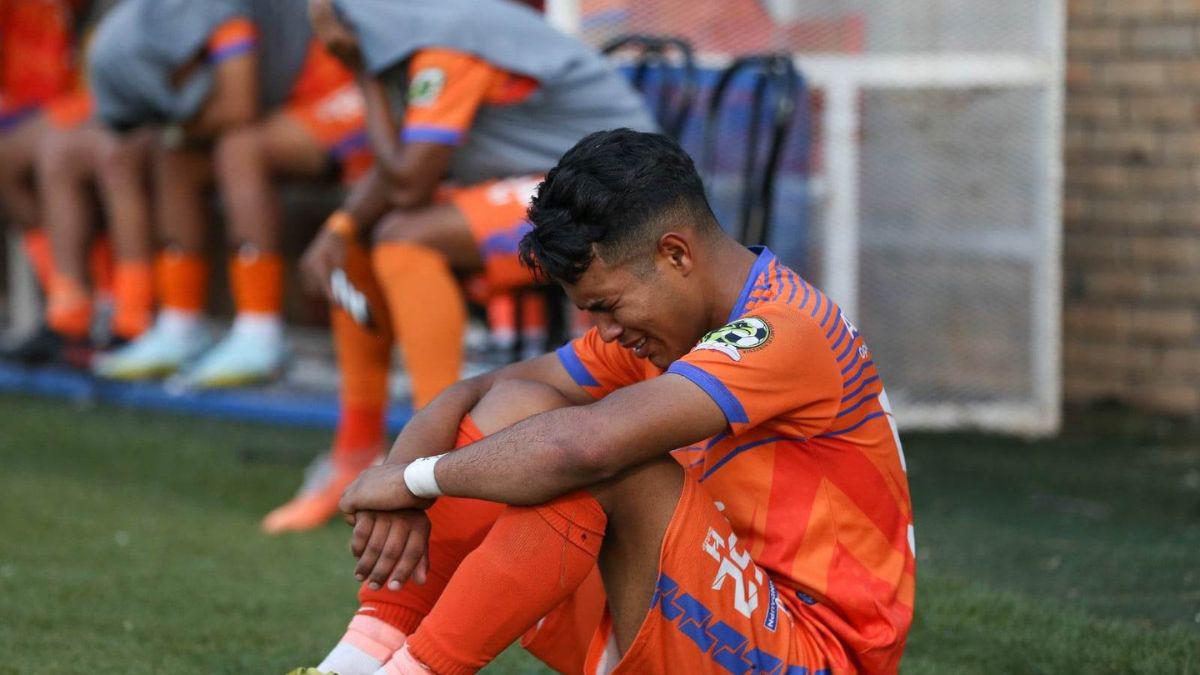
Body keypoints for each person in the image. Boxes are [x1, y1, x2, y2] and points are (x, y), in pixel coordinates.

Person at [297, 129, 916, 675]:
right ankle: (354, 658)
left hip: (811, 653)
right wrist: (397, 484)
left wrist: (414, 480)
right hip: (714, 608)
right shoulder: (667, 328)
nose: (607, 331)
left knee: (608, 461)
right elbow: (476, 390)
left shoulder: (785, 326)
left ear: (675, 255)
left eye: (607, 307)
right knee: (519, 406)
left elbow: (584, 448)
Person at [259, 0, 655, 533]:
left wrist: (363, 73)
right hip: (554, 179)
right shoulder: (431, 31)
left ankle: (438, 461)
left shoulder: (446, 45)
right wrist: (340, 230)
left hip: (618, 195)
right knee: (356, 250)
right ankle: (353, 453)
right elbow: (405, 161)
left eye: (332, 39)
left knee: (406, 239)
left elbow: (408, 180)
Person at [87, 0, 370, 386]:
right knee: (177, 155)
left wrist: (178, 123)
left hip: (347, 86)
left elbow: (238, 106)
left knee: (239, 148)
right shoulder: (158, 23)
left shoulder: (215, 14)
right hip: (297, 97)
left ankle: (260, 331)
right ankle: (179, 323)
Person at [0, 0, 111, 362]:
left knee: (57, 155)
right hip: (34, 107)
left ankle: (105, 309)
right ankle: (71, 304)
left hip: (102, 105)